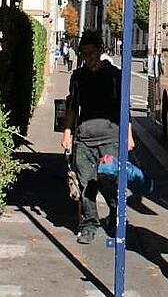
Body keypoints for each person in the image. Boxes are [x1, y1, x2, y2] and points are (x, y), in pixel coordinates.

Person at [61, 30, 134, 244]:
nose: (88, 58)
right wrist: (67, 133)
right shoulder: (78, 77)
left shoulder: (114, 75)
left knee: (109, 180)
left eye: (92, 53)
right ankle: (90, 224)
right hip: (85, 139)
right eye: (84, 54)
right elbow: (73, 106)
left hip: (110, 137)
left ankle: (115, 211)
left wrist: (128, 135)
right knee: (86, 183)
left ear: (100, 51)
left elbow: (124, 107)